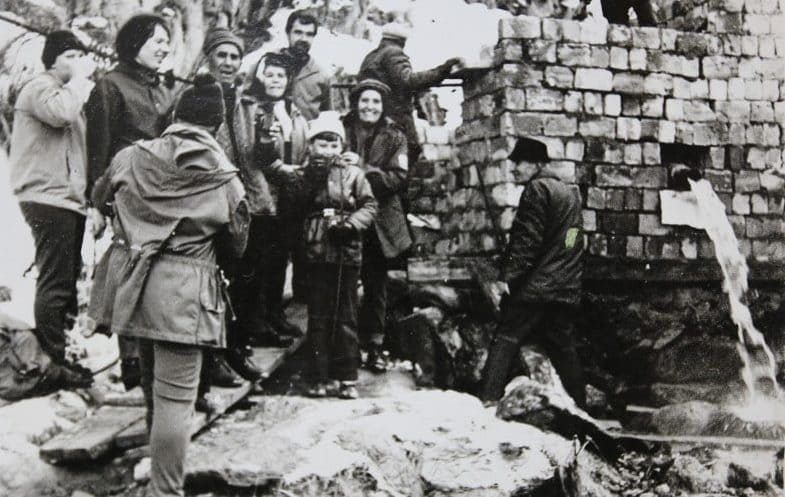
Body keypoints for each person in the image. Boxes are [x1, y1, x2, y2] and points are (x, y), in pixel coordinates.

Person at [89, 74, 249, 497]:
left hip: (132, 289)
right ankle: (166, 491)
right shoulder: (225, 178)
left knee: (151, 390)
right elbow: (237, 244)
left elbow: (101, 195)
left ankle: (155, 475)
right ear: (216, 125)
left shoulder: (130, 157)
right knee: (176, 403)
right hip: (184, 295)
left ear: (176, 115)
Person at [85, 13, 179, 390]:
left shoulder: (160, 88)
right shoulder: (110, 86)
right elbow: (98, 150)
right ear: (134, 43)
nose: (164, 47)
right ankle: (133, 366)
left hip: (163, 196)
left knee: (158, 275)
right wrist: (96, 203)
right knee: (130, 273)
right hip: (127, 195)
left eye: (166, 40)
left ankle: (155, 358)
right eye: (156, 39)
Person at [9, 30, 97, 381]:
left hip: (66, 198)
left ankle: (60, 353)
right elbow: (60, 114)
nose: (78, 63)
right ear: (53, 59)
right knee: (56, 280)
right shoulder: (39, 88)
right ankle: (51, 362)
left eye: (81, 56)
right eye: (71, 56)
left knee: (66, 277)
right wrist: (80, 81)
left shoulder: (66, 94)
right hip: (45, 195)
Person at [480, 138, 586, 407]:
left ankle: (488, 402)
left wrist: (506, 278)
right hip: (563, 285)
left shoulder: (537, 189)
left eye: (519, 162)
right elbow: (572, 238)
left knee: (505, 338)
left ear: (537, 164)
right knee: (563, 350)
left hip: (537, 288)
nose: (514, 168)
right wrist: (561, 266)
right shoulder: (568, 191)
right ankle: (581, 408)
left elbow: (527, 241)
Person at [280, 111, 377, 399]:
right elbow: (293, 208)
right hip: (316, 253)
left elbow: (369, 206)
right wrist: (311, 177)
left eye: (334, 144)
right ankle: (318, 377)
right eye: (322, 144)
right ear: (310, 146)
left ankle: (347, 377)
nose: (328, 150)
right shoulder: (302, 176)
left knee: (345, 316)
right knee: (319, 317)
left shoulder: (354, 175)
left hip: (346, 252)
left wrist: (351, 225)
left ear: (342, 146)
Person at [224, 51, 309, 347]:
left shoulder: (290, 110)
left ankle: (273, 315)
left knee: (278, 259)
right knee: (255, 263)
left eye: (281, 75)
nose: (275, 80)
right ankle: (255, 324)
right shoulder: (248, 106)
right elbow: (250, 154)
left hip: (287, 195)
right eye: (269, 74)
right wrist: (277, 174)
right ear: (259, 76)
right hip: (261, 194)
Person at [199, 27, 262, 386]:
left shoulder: (241, 100)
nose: (227, 62)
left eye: (234, 56)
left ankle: (234, 351)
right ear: (209, 57)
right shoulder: (196, 93)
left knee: (240, 283)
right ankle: (213, 358)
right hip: (210, 200)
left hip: (240, 199)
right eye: (221, 55)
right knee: (211, 284)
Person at [341, 79, 412, 372]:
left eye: (376, 102)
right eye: (365, 100)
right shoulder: (342, 129)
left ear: (382, 107)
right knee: (343, 284)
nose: (369, 107)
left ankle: (375, 347)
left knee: (376, 286)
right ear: (356, 103)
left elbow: (398, 178)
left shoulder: (395, 136)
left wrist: (362, 169)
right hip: (346, 215)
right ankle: (346, 348)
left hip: (380, 221)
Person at [358, 23, 463, 164]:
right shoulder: (393, 52)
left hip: (377, 117)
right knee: (408, 156)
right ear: (402, 41)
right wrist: (441, 71)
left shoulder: (371, 57)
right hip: (397, 118)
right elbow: (408, 80)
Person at [279, 9, 331, 120]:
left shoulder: (320, 75)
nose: (303, 39)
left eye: (309, 34)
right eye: (298, 32)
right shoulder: (267, 63)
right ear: (288, 32)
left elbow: (327, 117)